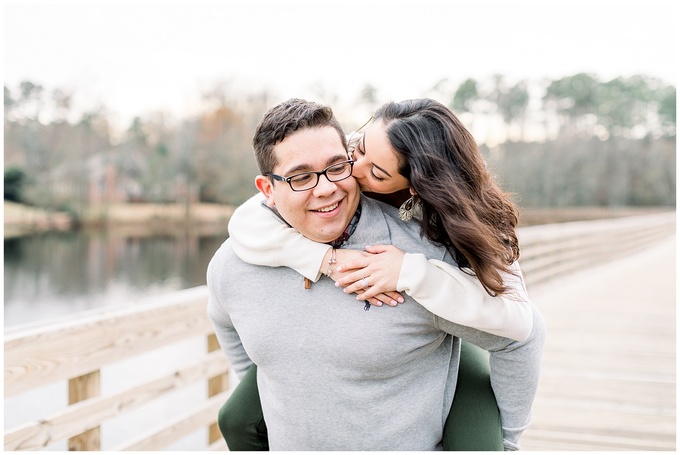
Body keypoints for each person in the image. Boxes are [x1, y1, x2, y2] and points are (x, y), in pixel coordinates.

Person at [207, 98, 545, 451]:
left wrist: (412, 272)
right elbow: (226, 298)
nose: (331, 184)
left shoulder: (440, 239)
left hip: (446, 308)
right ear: (268, 190)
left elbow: (521, 329)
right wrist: (324, 259)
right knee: (236, 418)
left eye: (340, 167)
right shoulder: (237, 257)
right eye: (300, 177)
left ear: (413, 186)